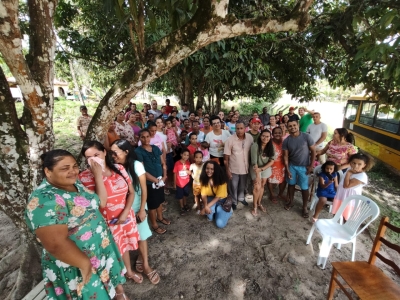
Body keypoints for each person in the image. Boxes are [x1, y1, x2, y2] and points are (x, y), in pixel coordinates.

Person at [25, 150, 128, 300]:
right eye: (64, 168)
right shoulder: (44, 199)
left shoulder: (75, 183)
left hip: (98, 250)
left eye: (74, 166)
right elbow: (55, 244)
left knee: (106, 289)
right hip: (76, 262)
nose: (73, 171)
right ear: (47, 171)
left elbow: (99, 202)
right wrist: (84, 263)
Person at [79, 141, 142, 285]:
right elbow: (99, 204)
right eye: (89, 157)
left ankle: (129, 272)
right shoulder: (83, 178)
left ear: (105, 152)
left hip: (124, 219)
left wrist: (125, 212)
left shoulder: (119, 169)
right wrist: (97, 175)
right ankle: (117, 286)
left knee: (124, 247)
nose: (93, 160)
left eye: (96, 154)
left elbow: (131, 193)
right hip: (105, 224)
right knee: (111, 254)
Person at [110, 140, 161, 284]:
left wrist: (142, 209)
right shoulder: (113, 167)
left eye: (115, 152)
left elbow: (144, 190)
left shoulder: (137, 165)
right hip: (120, 209)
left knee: (142, 236)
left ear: (126, 152)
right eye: (111, 152)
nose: (112, 155)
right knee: (126, 237)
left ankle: (145, 265)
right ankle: (138, 257)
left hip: (137, 206)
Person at [135, 129, 171, 234]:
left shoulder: (155, 148)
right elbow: (142, 171)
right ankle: (154, 225)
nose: (146, 139)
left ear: (150, 137)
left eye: (147, 136)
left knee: (160, 201)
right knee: (152, 205)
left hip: (160, 180)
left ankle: (160, 217)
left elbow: (163, 163)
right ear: (139, 138)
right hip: (150, 183)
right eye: (143, 137)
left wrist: (164, 177)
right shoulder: (138, 151)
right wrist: (156, 180)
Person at [282, 120, 316, 218]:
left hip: (304, 167)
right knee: (291, 184)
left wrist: (311, 165)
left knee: (304, 187)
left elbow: (313, 151)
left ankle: (304, 207)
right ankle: (291, 202)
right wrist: (287, 169)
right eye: (290, 126)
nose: (292, 127)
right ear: (287, 128)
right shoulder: (287, 140)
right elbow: (285, 156)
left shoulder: (306, 137)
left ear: (298, 125)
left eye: (294, 125)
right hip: (292, 166)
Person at [331, 153, 374, 220]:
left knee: (347, 218)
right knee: (336, 215)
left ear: (364, 165)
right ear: (350, 163)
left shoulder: (362, 176)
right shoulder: (349, 169)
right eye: (353, 163)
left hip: (350, 200)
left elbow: (346, 186)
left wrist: (348, 173)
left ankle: (343, 230)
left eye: (359, 164)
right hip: (341, 196)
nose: (356, 166)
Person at [224, 121, 253, 210]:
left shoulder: (249, 138)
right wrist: (227, 170)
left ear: (245, 129)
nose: (239, 130)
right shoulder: (230, 140)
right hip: (234, 168)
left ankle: (241, 198)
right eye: (237, 128)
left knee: (242, 185)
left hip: (245, 168)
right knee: (233, 186)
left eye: (241, 128)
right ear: (235, 129)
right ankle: (234, 201)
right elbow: (226, 157)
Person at [199, 160, 232, 228]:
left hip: (222, 201)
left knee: (220, 224)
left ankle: (229, 211)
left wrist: (205, 208)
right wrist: (206, 206)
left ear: (216, 170)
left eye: (212, 169)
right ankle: (215, 211)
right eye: (207, 168)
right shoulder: (204, 179)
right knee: (210, 217)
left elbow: (218, 197)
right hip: (211, 199)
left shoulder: (222, 180)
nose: (209, 171)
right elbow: (203, 194)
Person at [250, 129, 276, 216]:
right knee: (257, 186)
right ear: (260, 136)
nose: (265, 138)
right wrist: (257, 174)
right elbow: (254, 162)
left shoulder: (271, 146)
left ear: (270, 137)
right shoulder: (255, 146)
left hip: (265, 167)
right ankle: (254, 207)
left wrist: (262, 169)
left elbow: (272, 161)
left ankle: (259, 203)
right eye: (263, 136)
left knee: (262, 184)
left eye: (267, 136)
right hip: (255, 167)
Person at [267, 127, 287, 203]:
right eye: (275, 133)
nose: (277, 134)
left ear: (282, 133)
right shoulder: (269, 142)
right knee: (270, 180)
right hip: (272, 164)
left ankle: (280, 194)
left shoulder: (285, 142)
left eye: (279, 133)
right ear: (272, 134)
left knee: (283, 180)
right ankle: (272, 195)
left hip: (282, 164)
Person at [173, 149, 191, 215]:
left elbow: (190, 173)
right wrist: (174, 184)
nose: (186, 156)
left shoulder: (188, 163)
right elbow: (175, 173)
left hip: (186, 183)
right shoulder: (177, 163)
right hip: (179, 184)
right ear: (181, 155)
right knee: (180, 196)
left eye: (187, 155)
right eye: (184, 155)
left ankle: (185, 204)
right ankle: (182, 207)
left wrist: (186, 170)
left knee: (185, 194)